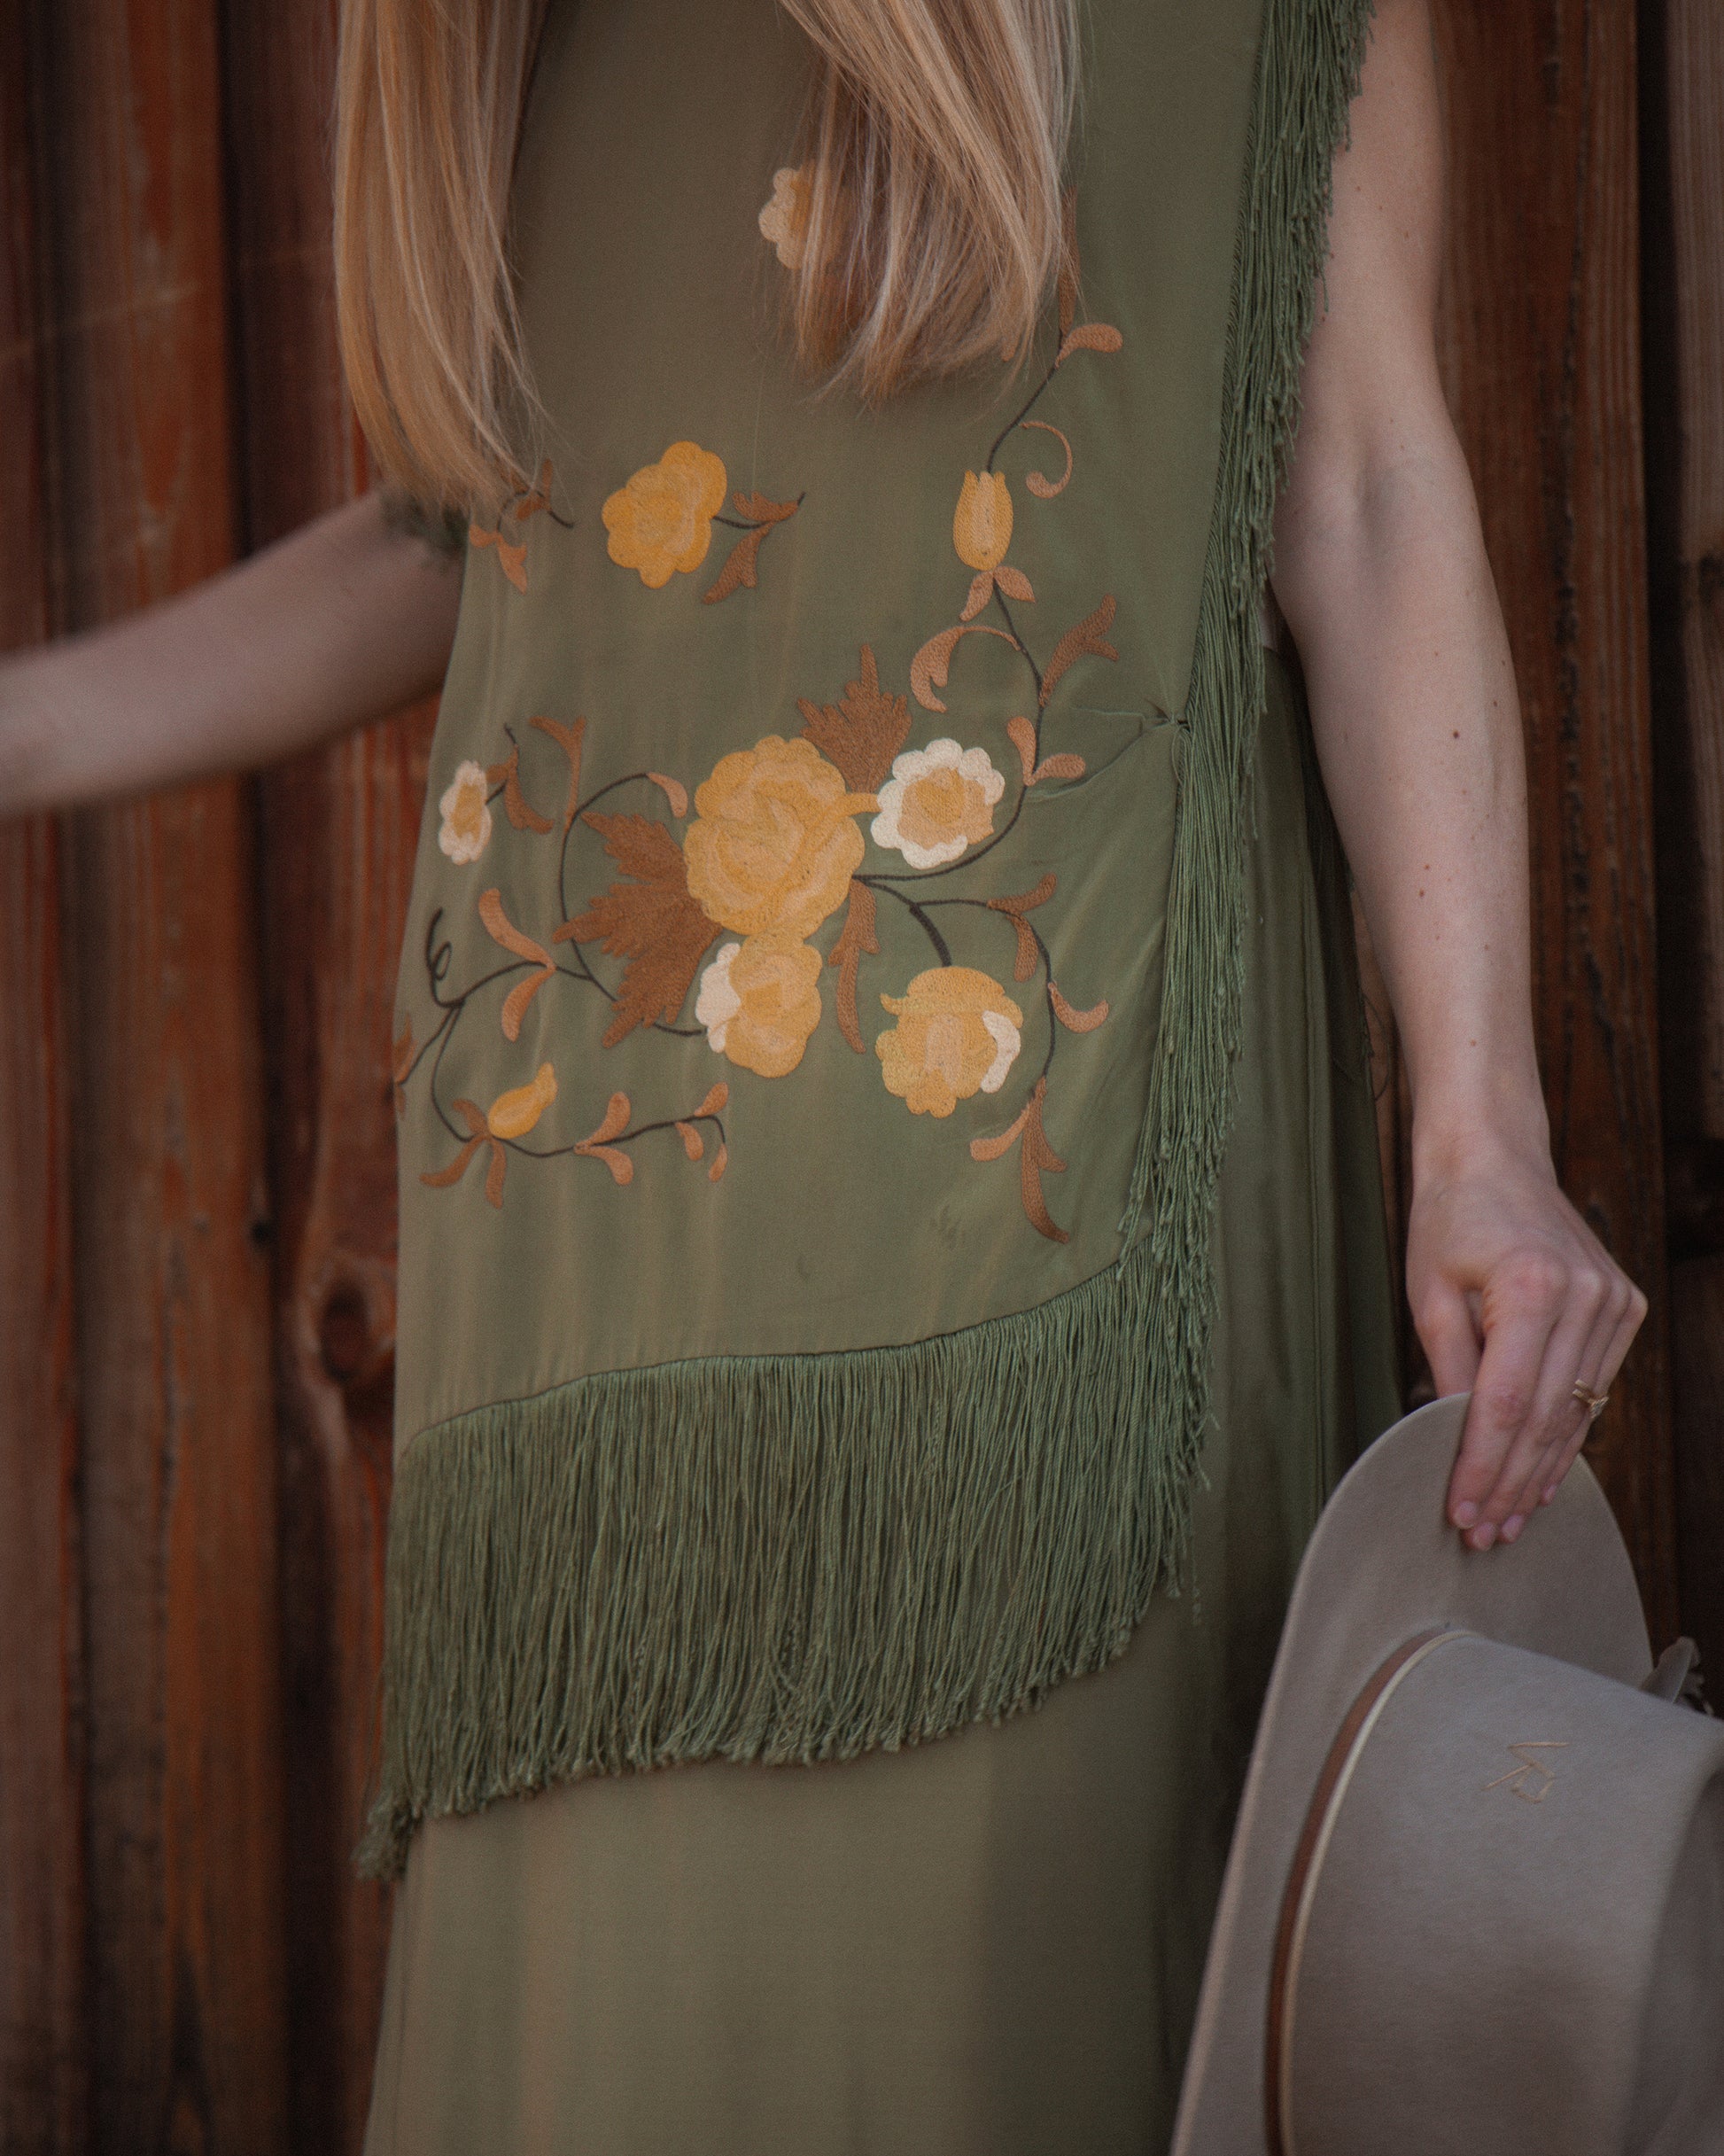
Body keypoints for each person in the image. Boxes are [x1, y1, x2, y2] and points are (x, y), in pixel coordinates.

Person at [0, 0, 1647, 2147]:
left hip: (1039, 1278)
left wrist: (1484, 1135)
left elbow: (1359, 493)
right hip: (579, 1331)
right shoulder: (507, 42)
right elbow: (491, 521)